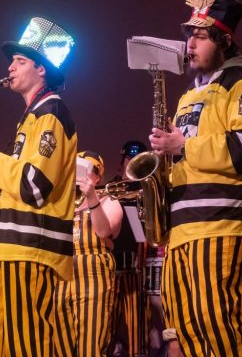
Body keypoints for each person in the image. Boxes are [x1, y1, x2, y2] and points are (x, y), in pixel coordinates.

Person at [150, 0, 242, 356]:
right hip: (184, 231)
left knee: (218, 327)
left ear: (224, 41)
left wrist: (183, 145)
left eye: (200, 37)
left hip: (222, 225)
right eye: (189, 36)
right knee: (186, 332)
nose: (190, 45)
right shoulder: (188, 95)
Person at [0, 17, 77, 357]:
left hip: (30, 249)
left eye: (20, 61)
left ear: (41, 69)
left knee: (23, 341)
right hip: (8, 247)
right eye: (11, 61)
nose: (10, 67)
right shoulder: (31, 117)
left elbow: (35, 187)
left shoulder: (52, 113)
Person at [54, 151, 123, 356]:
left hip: (94, 277)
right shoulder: (61, 204)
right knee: (59, 346)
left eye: (87, 169)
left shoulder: (108, 201)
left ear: (97, 176)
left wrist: (92, 197)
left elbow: (103, 231)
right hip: (61, 274)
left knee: (91, 346)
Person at [108, 140, 148, 357]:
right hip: (110, 266)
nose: (133, 163)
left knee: (136, 327)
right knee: (105, 324)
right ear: (122, 161)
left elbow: (142, 233)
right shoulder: (110, 189)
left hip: (135, 267)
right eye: (130, 159)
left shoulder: (147, 191)